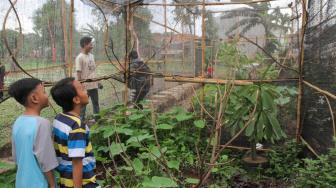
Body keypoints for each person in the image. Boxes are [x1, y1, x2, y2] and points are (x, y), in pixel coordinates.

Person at [8, 78, 58, 188]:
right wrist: (53, 185)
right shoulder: (42, 124)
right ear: (34, 98)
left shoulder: (18, 122)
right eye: (44, 92)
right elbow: (47, 161)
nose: (47, 95)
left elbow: (16, 157)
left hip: (22, 182)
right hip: (39, 183)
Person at [50, 77, 99, 188]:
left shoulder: (59, 118)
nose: (85, 90)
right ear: (76, 100)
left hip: (66, 178)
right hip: (82, 181)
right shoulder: (76, 126)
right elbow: (77, 161)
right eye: (82, 89)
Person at [75, 36, 100, 120]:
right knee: (83, 105)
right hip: (85, 87)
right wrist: (81, 87)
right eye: (90, 44)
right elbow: (79, 73)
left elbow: (93, 70)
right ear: (85, 44)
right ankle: (81, 122)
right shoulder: (80, 57)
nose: (92, 46)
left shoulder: (92, 56)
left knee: (96, 103)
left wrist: (98, 82)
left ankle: (97, 120)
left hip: (94, 85)